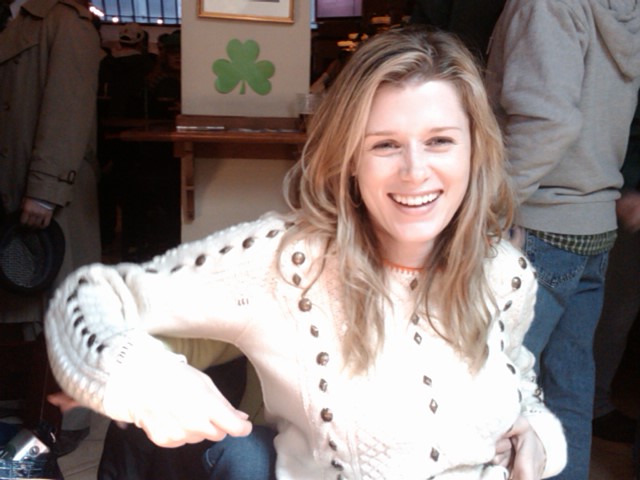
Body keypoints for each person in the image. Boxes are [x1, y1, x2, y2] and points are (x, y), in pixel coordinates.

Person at [45, 27, 567, 479]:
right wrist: (143, 378)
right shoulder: (290, 262)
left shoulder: (505, 273)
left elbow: (519, 379)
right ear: (350, 159)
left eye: (440, 141)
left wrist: (538, 437)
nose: (415, 171)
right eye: (384, 144)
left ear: (475, 150)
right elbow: (86, 299)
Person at [484, 1, 640, 479]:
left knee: (495, 388)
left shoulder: (546, 5)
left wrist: (489, 205)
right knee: (568, 386)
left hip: (538, 221)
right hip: (593, 221)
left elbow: (548, 122)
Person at [0, 0, 103, 457]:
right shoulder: (17, 19)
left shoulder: (65, 21)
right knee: (26, 306)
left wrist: (45, 189)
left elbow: (69, 106)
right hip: (14, 184)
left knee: (63, 306)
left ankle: (68, 416)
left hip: (49, 196)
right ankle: (31, 408)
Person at [592, 94, 640, 444]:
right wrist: (623, 189)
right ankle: (593, 405)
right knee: (612, 310)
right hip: (621, 198)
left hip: (620, 192)